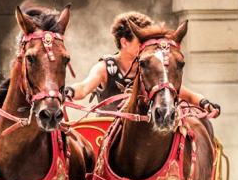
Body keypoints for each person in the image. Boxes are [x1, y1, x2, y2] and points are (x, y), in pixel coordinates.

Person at [67, 11, 221, 118]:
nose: (147, 46)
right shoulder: (105, 68)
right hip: (106, 132)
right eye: (141, 41)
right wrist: (67, 92)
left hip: (142, 134)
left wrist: (205, 103)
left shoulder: (151, 67)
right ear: (124, 42)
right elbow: (84, 87)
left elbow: (186, 94)